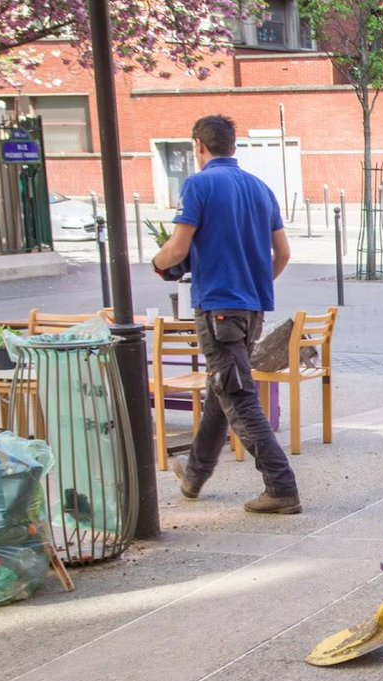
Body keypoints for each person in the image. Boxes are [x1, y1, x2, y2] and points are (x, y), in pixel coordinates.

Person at [151, 114, 301, 515]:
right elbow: (283, 254)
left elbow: (178, 249)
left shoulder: (198, 185)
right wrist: (254, 285)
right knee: (223, 390)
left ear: (199, 146)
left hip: (218, 309)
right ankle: (195, 475)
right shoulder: (260, 188)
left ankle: (281, 485)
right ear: (233, 146)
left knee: (237, 396)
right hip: (251, 310)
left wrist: (157, 263)